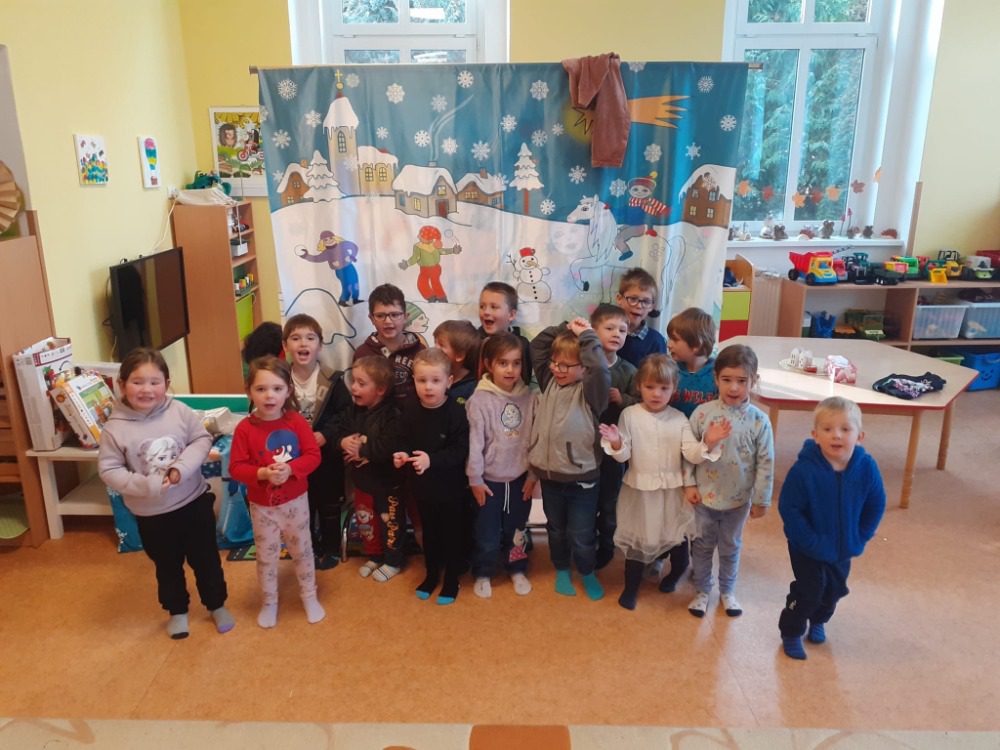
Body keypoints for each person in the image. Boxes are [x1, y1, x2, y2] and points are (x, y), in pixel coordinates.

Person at [98, 348, 234, 639]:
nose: (146, 389)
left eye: (154, 382)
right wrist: (146, 485)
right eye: (137, 382)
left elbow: (201, 440)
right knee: (167, 565)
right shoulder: (114, 428)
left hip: (193, 502)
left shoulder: (180, 411)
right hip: (152, 514)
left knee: (206, 559)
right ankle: (177, 611)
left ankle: (216, 605)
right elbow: (109, 470)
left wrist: (181, 468)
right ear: (121, 385)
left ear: (167, 384)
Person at [599, 354, 723, 610]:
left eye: (664, 388)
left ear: (674, 389)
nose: (656, 394)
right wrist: (616, 442)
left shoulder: (678, 418)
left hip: (672, 492)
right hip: (640, 491)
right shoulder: (629, 415)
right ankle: (631, 587)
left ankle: (676, 572)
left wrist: (708, 443)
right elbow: (624, 455)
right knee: (638, 541)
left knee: (676, 537)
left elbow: (691, 454)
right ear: (639, 386)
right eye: (650, 387)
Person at [778, 396, 886, 660]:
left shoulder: (866, 467)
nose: (836, 435)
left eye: (845, 429)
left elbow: (876, 503)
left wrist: (861, 535)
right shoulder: (804, 470)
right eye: (828, 429)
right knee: (809, 591)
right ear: (815, 435)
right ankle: (791, 631)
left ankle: (819, 620)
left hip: (843, 547)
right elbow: (789, 509)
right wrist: (809, 541)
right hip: (806, 548)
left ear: (859, 436)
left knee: (834, 591)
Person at [229, 356, 324, 628]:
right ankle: (269, 601)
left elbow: (313, 455)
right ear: (249, 392)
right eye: (261, 389)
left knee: (302, 550)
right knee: (266, 557)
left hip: (296, 502)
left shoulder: (296, 421)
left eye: (277, 388)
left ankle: (309, 595)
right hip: (262, 506)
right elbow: (236, 467)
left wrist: (291, 469)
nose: (269, 396)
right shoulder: (244, 428)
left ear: (288, 391)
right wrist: (262, 473)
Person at [686, 345, 774, 618]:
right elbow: (688, 452)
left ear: (754, 380)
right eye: (727, 379)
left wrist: (761, 499)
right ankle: (702, 590)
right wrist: (689, 484)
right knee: (702, 546)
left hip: (738, 501)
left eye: (742, 380)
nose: (734, 387)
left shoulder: (760, 421)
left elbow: (766, 463)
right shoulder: (702, 414)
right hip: (704, 497)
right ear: (716, 379)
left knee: (730, 547)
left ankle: (727, 591)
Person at [529, 318, 610, 600]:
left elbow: (600, 368)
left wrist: (586, 334)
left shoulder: (591, 392)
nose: (557, 369)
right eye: (555, 362)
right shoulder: (549, 382)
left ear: (583, 368)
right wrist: (565, 327)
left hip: (582, 480)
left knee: (581, 533)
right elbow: (537, 346)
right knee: (556, 529)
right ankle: (562, 568)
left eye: (566, 365)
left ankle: (586, 571)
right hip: (551, 478)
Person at [393, 349, 470, 604]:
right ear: (413, 381)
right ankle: (431, 574)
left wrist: (431, 460)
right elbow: (402, 439)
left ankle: (452, 580)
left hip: (451, 489)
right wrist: (401, 454)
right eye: (422, 380)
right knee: (430, 532)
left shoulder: (456, 412)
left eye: (435, 380)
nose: (428, 387)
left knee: (452, 533)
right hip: (422, 488)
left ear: (449, 381)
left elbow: (460, 450)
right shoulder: (410, 409)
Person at [466, 332, 537, 599]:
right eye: (503, 363)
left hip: (520, 479)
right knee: (486, 533)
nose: (510, 370)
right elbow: (475, 444)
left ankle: (516, 568)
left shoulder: (530, 398)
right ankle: (483, 572)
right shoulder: (479, 400)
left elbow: (535, 440)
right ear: (489, 364)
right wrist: (475, 479)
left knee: (517, 530)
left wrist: (533, 475)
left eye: (516, 363)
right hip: (488, 482)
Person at [283, 314, 351, 570]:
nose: (303, 343)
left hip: (326, 456)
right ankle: (308, 547)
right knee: (302, 505)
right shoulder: (279, 380)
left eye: (310, 338)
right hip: (293, 457)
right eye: (296, 338)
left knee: (329, 503)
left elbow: (346, 414)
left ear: (320, 345)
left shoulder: (332, 379)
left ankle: (331, 547)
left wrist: (326, 435)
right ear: (286, 345)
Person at [335, 355, 404, 582]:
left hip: (388, 484)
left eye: (361, 383)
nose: (354, 387)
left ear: (380, 389)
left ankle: (393, 560)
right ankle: (375, 555)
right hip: (362, 483)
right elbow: (339, 429)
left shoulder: (393, 414)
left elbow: (389, 445)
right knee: (367, 522)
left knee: (390, 524)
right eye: (353, 381)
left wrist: (362, 451)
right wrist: (343, 442)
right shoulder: (353, 410)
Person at [589, 303, 637, 569]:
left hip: (615, 452)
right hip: (586, 448)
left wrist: (623, 398)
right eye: (609, 328)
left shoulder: (628, 371)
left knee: (609, 502)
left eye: (622, 330)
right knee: (586, 501)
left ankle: (606, 546)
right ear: (593, 331)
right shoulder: (584, 366)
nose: (617, 334)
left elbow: (642, 406)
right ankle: (584, 544)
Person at [354, 283, 426, 406]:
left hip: (413, 416)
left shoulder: (420, 351)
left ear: (406, 317)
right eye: (380, 315)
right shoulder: (363, 354)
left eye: (395, 315)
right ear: (371, 319)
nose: (388, 321)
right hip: (375, 417)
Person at [476, 281, 532, 386]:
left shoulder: (522, 345)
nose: (486, 312)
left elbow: (525, 381)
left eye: (494, 307)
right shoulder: (473, 342)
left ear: (511, 315)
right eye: (482, 306)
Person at [667, 307, 718, 417]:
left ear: (696, 344)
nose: (669, 345)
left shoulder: (719, 375)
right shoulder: (668, 370)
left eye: (675, 340)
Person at [615, 268, 667, 368]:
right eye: (633, 299)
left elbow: (661, 374)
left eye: (646, 301)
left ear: (652, 306)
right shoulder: (607, 333)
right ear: (619, 299)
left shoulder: (656, 341)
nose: (639, 306)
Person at [433, 319, 480, 405]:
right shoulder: (431, 373)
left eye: (441, 345)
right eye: (435, 342)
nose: (435, 348)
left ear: (459, 356)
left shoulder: (472, 390)